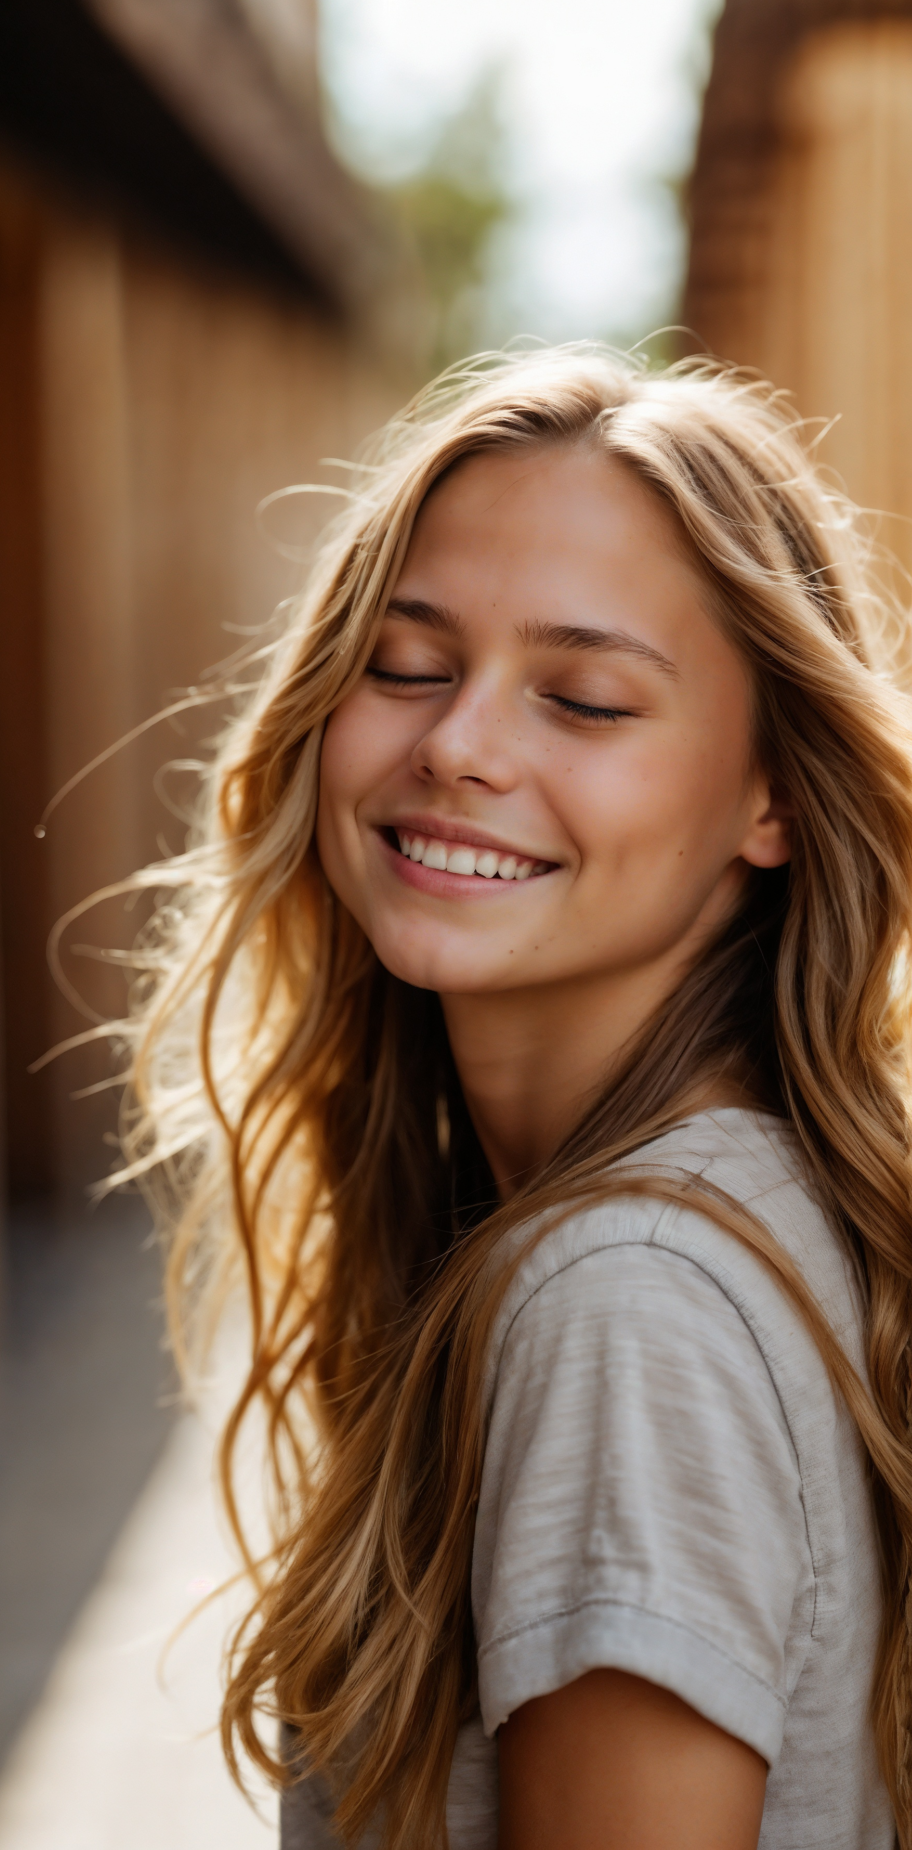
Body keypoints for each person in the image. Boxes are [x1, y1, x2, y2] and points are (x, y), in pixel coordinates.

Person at [122, 349, 912, 1849]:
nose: (459, 745)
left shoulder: (628, 1307)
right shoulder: (702, 1224)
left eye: (587, 699)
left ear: (777, 799)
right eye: (409, 664)